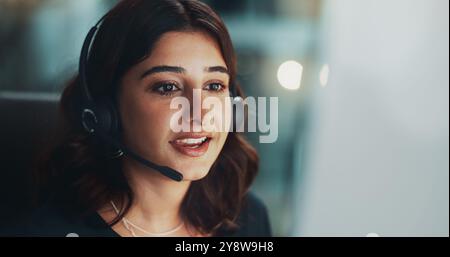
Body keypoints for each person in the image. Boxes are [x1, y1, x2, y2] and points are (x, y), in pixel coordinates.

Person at [7, 0, 271, 237]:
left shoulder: (248, 219)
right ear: (105, 109)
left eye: (214, 86)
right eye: (167, 87)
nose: (200, 112)